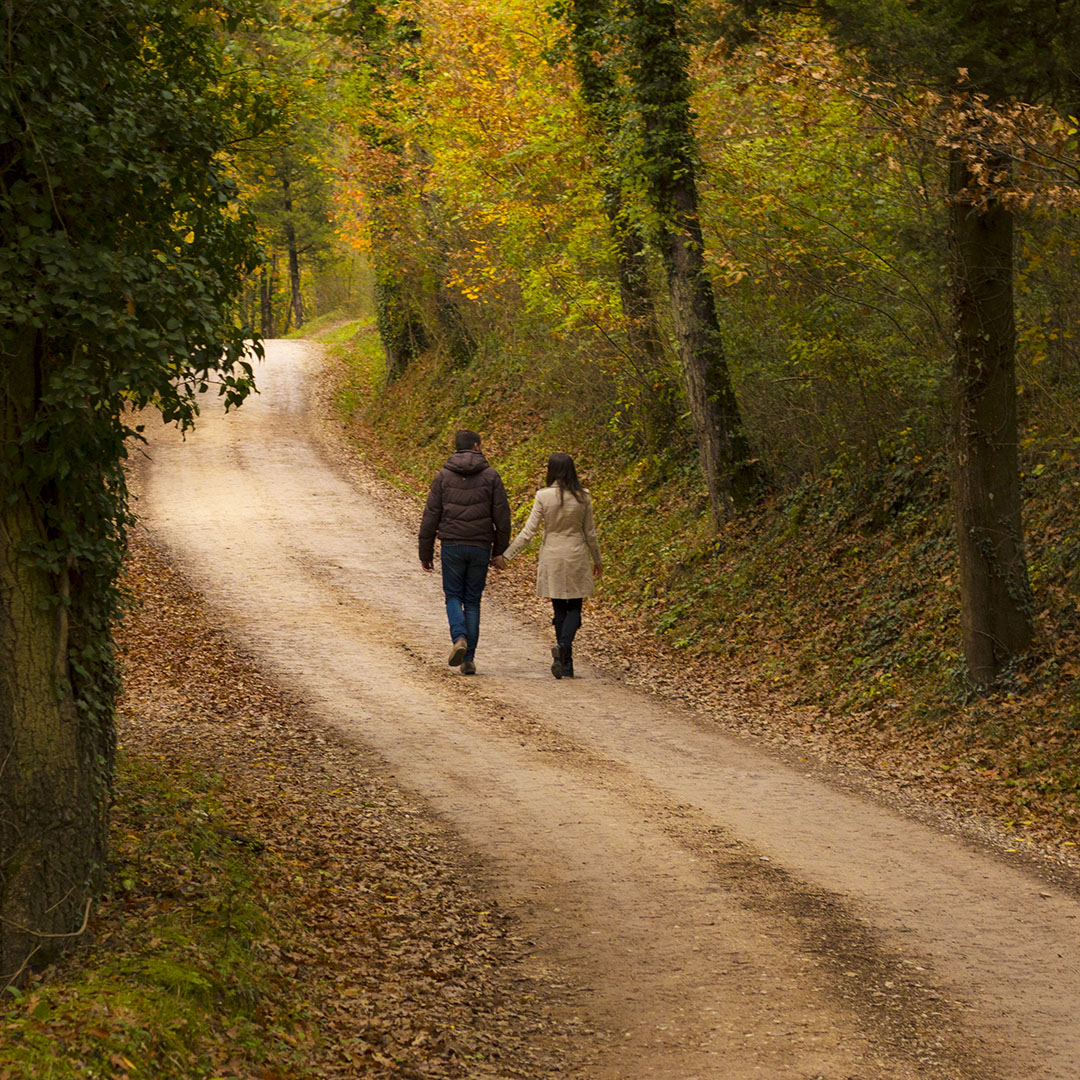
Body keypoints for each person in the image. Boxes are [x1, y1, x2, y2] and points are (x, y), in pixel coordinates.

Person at [498, 452, 602, 679]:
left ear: (551, 471)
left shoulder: (543, 496)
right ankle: (565, 656)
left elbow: (528, 532)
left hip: (552, 555)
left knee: (559, 608)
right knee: (575, 606)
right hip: (575, 554)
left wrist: (507, 556)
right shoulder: (584, 496)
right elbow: (590, 532)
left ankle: (564, 655)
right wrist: (597, 559)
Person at [419, 429, 511, 675]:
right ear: (477, 446)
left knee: (452, 596)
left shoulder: (443, 476)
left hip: (452, 544)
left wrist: (425, 552)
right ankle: (468, 659)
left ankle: (459, 637)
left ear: (457, 448)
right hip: (480, 545)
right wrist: (499, 550)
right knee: (472, 601)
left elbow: (431, 516)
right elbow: (503, 517)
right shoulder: (491, 476)